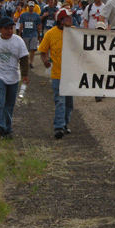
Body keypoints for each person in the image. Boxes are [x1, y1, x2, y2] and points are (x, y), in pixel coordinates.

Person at [38, 8, 74, 139]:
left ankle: (64, 124)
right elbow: (43, 50)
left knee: (69, 103)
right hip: (57, 74)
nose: (71, 20)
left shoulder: (75, 32)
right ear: (61, 20)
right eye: (68, 18)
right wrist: (45, 60)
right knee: (60, 101)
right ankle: (58, 126)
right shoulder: (50, 33)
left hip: (71, 75)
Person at [19, 0, 43, 68]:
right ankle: (25, 61)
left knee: (32, 49)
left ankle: (31, 62)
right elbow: (21, 25)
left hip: (34, 34)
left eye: (32, 6)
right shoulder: (23, 15)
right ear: (28, 7)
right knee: (25, 49)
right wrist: (19, 34)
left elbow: (39, 26)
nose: (31, 8)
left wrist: (39, 34)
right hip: (26, 34)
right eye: (30, 6)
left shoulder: (36, 16)